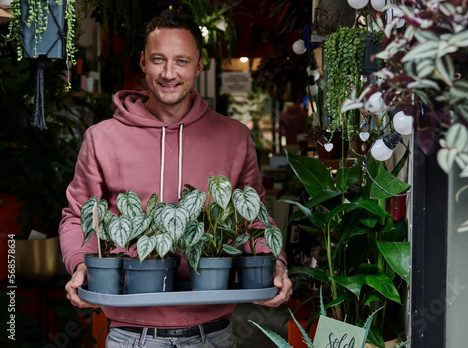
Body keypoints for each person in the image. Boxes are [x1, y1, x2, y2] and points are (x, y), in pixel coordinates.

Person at [59, 9, 293, 348]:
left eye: (181, 61)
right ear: (143, 62)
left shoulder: (234, 137)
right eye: (158, 59)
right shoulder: (102, 138)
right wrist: (80, 265)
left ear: (199, 66)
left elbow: (253, 218)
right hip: (131, 335)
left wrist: (277, 266)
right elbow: (76, 215)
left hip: (213, 333)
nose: (169, 73)